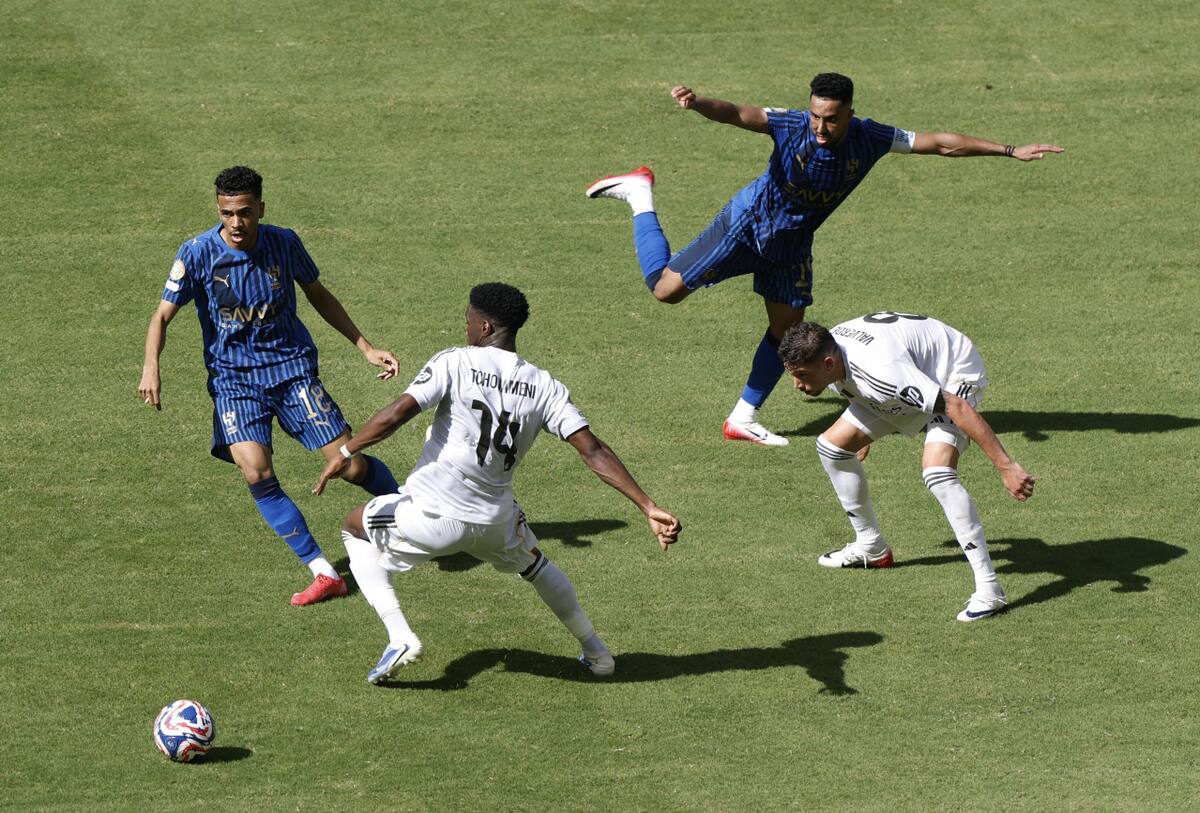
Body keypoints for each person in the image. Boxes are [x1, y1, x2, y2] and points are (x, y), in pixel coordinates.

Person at [587, 73, 1063, 447]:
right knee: (665, 291)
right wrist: (698, 103)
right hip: (747, 226)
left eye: (831, 119)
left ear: (850, 113)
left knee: (785, 334)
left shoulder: (872, 138)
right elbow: (739, 113)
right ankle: (638, 193)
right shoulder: (792, 124)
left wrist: (1008, 150)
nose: (820, 127)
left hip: (793, 247)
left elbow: (939, 143)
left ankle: (742, 418)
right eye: (816, 116)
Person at [314, 283, 681, 683]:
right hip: (495, 521)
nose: (465, 326)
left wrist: (346, 453)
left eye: (469, 319)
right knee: (537, 565)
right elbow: (592, 450)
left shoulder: (456, 361)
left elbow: (397, 414)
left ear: (485, 326)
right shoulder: (544, 386)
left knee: (354, 529)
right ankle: (597, 653)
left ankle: (400, 636)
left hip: (433, 514)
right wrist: (647, 505)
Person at [139, 166, 403, 606]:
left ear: (261, 207)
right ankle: (323, 572)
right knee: (256, 472)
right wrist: (152, 366)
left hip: (292, 372)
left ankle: (413, 515)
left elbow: (318, 293)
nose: (236, 223)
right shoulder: (197, 252)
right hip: (234, 381)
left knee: (349, 464)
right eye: (227, 213)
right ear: (219, 210)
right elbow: (162, 315)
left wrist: (365, 347)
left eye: (245, 212)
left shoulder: (284, 243)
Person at [777, 311, 1036, 621]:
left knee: (937, 472)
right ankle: (872, 547)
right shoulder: (828, 353)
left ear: (827, 364)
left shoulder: (881, 374)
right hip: (908, 371)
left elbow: (957, 406)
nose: (796, 384)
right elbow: (856, 384)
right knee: (832, 447)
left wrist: (1006, 467)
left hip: (950, 371)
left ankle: (990, 589)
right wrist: (865, 431)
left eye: (802, 375)